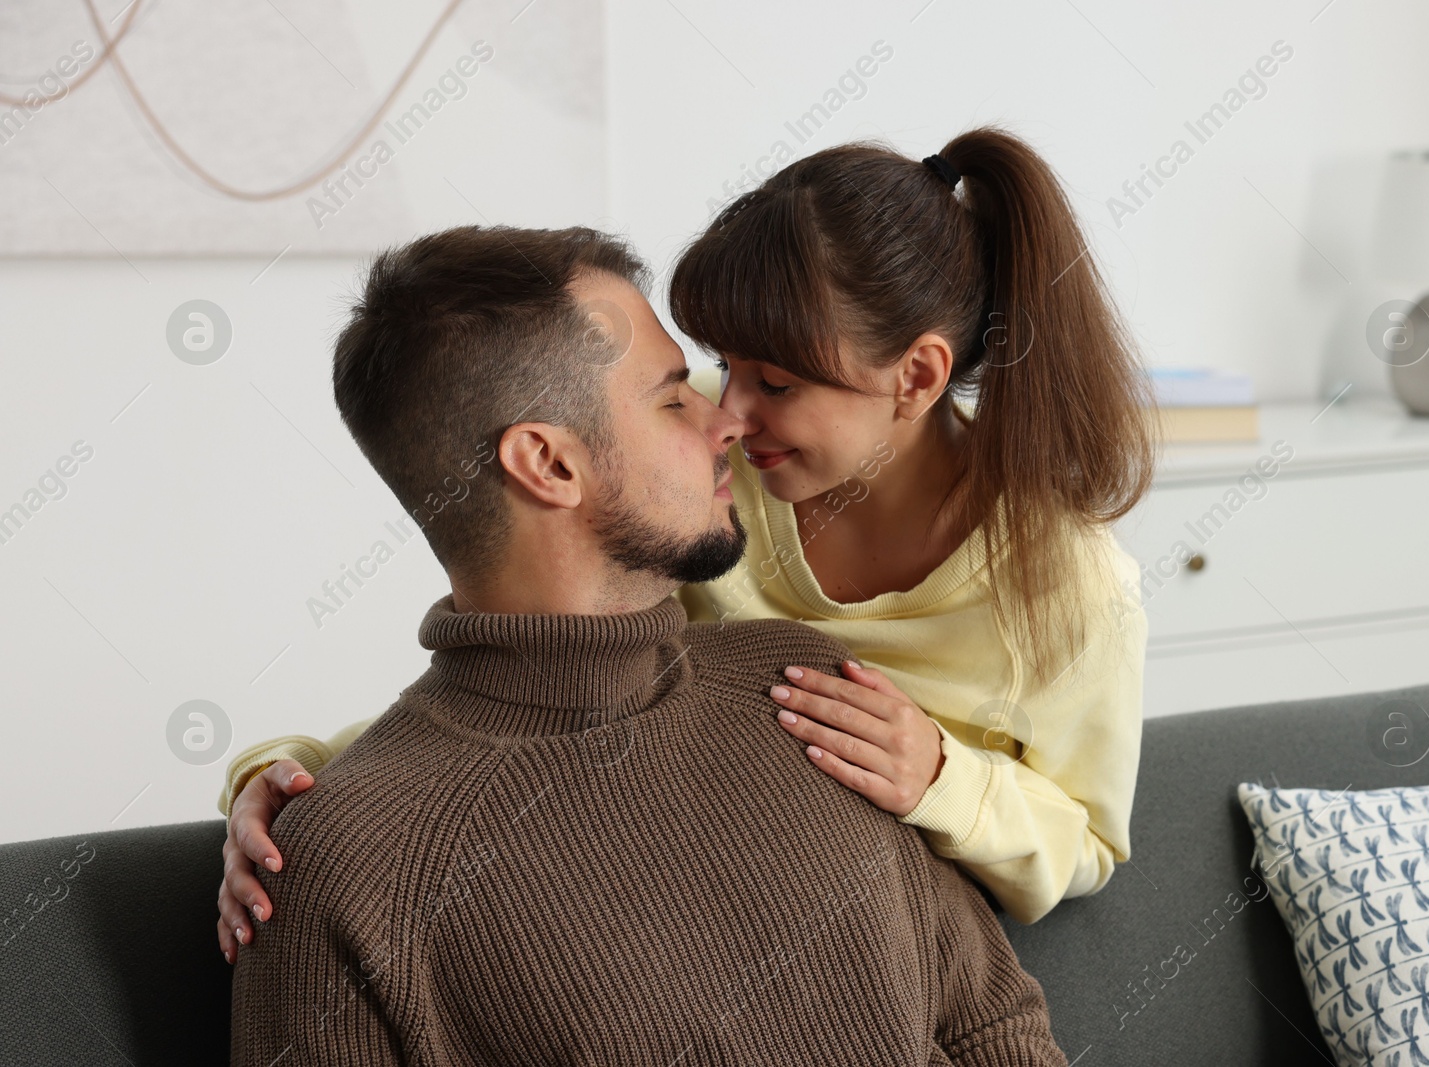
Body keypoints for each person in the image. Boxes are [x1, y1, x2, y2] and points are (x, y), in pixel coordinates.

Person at [217, 128, 1154, 964]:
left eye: (775, 384)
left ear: (915, 376)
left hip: (904, 952)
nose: (727, 415)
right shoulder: (711, 481)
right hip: (712, 910)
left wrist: (944, 778)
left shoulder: (1069, 587)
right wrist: (300, 776)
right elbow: (558, 671)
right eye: (717, 370)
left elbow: (1089, 844)